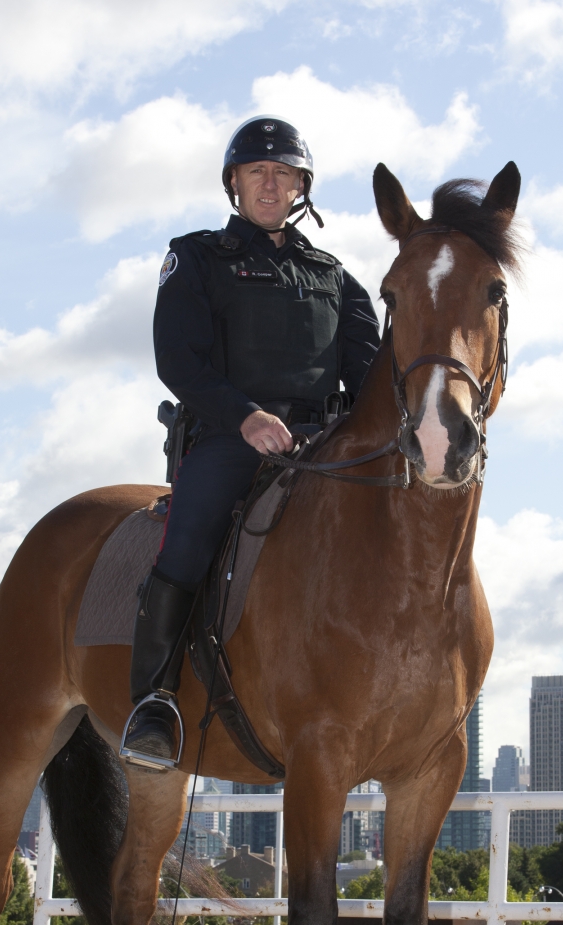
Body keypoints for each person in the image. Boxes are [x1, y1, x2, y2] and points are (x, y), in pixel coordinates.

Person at [120, 116, 381, 769]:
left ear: (302, 186)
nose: (271, 183)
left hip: (325, 444)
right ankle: (153, 702)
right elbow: (178, 360)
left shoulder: (335, 277)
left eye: (284, 172)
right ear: (234, 182)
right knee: (190, 537)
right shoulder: (199, 256)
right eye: (258, 171)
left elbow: (372, 377)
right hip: (230, 436)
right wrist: (247, 417)